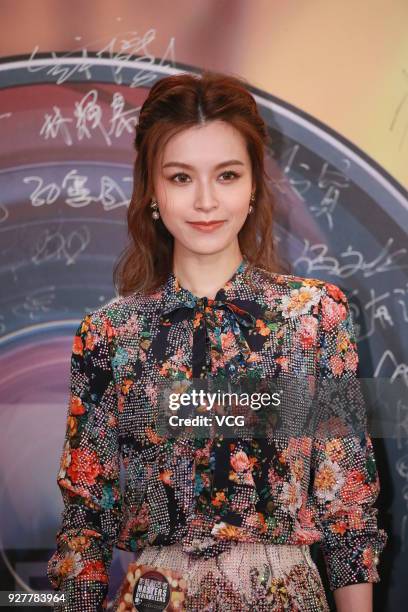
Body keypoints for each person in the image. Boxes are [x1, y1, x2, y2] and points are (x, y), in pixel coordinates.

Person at [47, 71, 387, 611]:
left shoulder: (314, 319)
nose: (206, 200)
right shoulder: (112, 334)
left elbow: (348, 510)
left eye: (226, 175)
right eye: (181, 178)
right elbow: (85, 523)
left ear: (253, 185)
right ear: (152, 190)